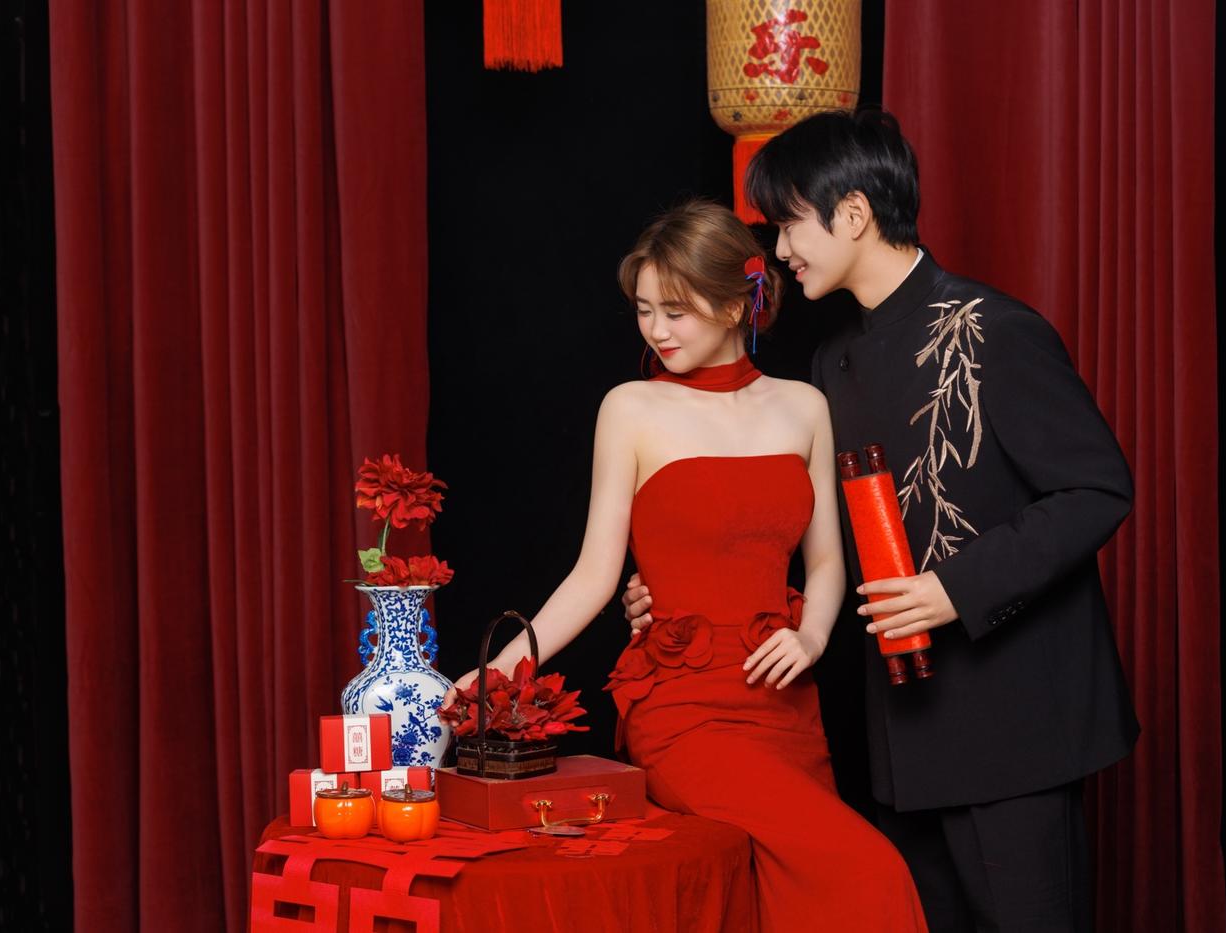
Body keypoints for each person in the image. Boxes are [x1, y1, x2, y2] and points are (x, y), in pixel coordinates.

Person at [623, 110, 1139, 933]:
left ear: (854, 213)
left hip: (1016, 723)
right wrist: (676, 582)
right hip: (904, 732)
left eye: (789, 223)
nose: (779, 251)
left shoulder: (992, 330)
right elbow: (803, 530)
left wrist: (953, 589)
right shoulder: (834, 363)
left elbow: (1096, 488)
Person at [444, 199, 927, 932]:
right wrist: (498, 672)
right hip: (682, 710)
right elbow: (593, 575)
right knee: (868, 868)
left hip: (785, 702)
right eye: (644, 311)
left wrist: (813, 636)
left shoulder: (805, 406)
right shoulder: (631, 408)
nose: (657, 330)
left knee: (787, 897)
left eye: (675, 311)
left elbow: (828, 559)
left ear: (737, 304)